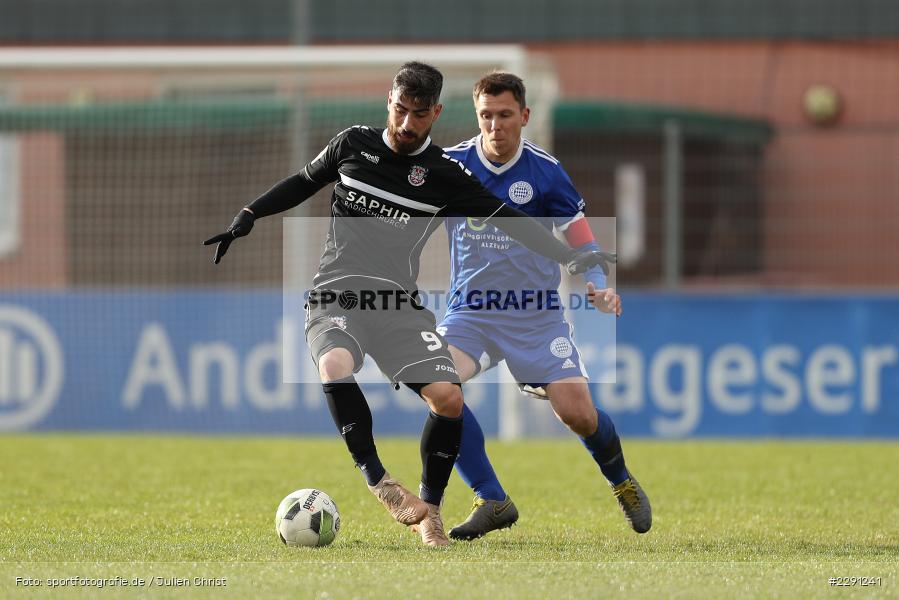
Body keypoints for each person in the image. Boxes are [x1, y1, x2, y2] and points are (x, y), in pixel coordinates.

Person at [203, 62, 615, 546]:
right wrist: (250, 214)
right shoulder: (352, 144)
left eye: (418, 114)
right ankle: (382, 484)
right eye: (399, 109)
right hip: (338, 291)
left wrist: (569, 254)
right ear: (389, 102)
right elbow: (301, 181)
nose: (405, 123)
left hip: (397, 303)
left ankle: (430, 513)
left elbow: (509, 219)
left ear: (435, 113)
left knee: (448, 397)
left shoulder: (444, 174)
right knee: (334, 365)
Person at [436, 72, 651, 540]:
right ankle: (491, 497)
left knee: (578, 414)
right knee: (439, 387)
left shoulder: (546, 172)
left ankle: (622, 482)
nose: (495, 126)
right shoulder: (450, 165)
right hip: (471, 312)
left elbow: (582, 241)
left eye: (505, 115)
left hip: (535, 315)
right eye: (486, 116)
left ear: (525, 116)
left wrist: (598, 284)